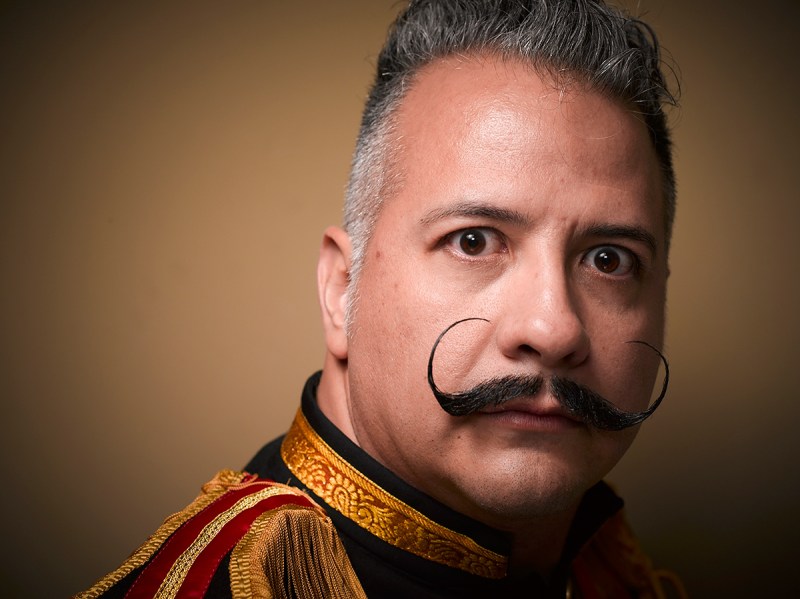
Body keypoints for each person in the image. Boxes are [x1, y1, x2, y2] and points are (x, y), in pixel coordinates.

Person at [78, 0, 686, 597]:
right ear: (342, 288)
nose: (553, 328)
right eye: (473, 241)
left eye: (609, 259)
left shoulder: (611, 569)